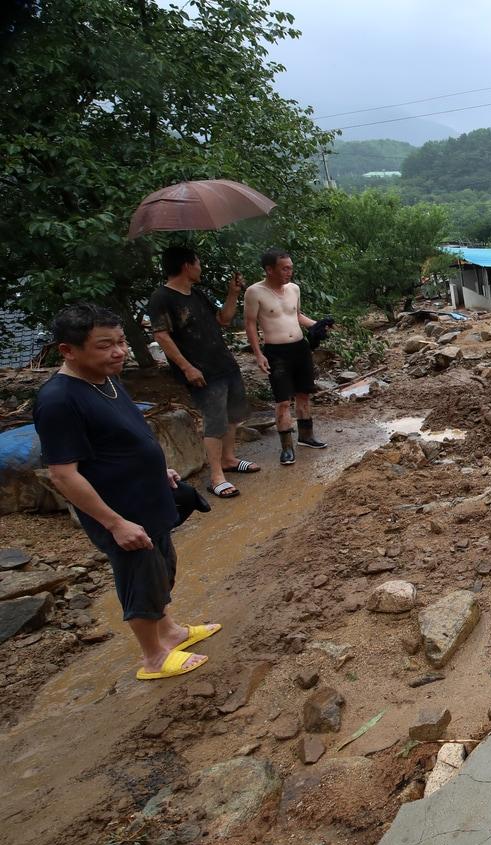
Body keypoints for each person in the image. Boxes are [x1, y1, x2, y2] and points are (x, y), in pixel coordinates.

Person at [33, 303, 220, 680]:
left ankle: (170, 632)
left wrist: (159, 469)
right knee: (139, 578)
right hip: (121, 510)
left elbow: (126, 436)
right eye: (105, 345)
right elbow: (64, 475)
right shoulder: (59, 401)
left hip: (148, 495)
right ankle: (153, 656)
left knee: (162, 569)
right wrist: (115, 523)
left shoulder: (106, 379)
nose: (118, 352)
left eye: (120, 342)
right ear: (68, 350)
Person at [148, 245, 259, 499]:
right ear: (187, 265)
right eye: (197, 262)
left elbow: (224, 319)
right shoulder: (162, 298)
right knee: (214, 419)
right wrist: (187, 367)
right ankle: (216, 475)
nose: (200, 268)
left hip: (223, 364)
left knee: (232, 416)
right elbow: (161, 335)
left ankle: (229, 459)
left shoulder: (196, 293)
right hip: (202, 370)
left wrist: (233, 293)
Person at [244, 248, 328, 465]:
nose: (289, 272)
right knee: (282, 401)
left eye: (290, 267)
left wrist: (317, 325)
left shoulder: (294, 289)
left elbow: (296, 315)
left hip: (299, 347)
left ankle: (306, 436)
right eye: (284, 268)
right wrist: (258, 353)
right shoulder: (254, 292)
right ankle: (287, 447)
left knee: (304, 394)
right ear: (269, 269)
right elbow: (250, 324)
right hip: (276, 351)